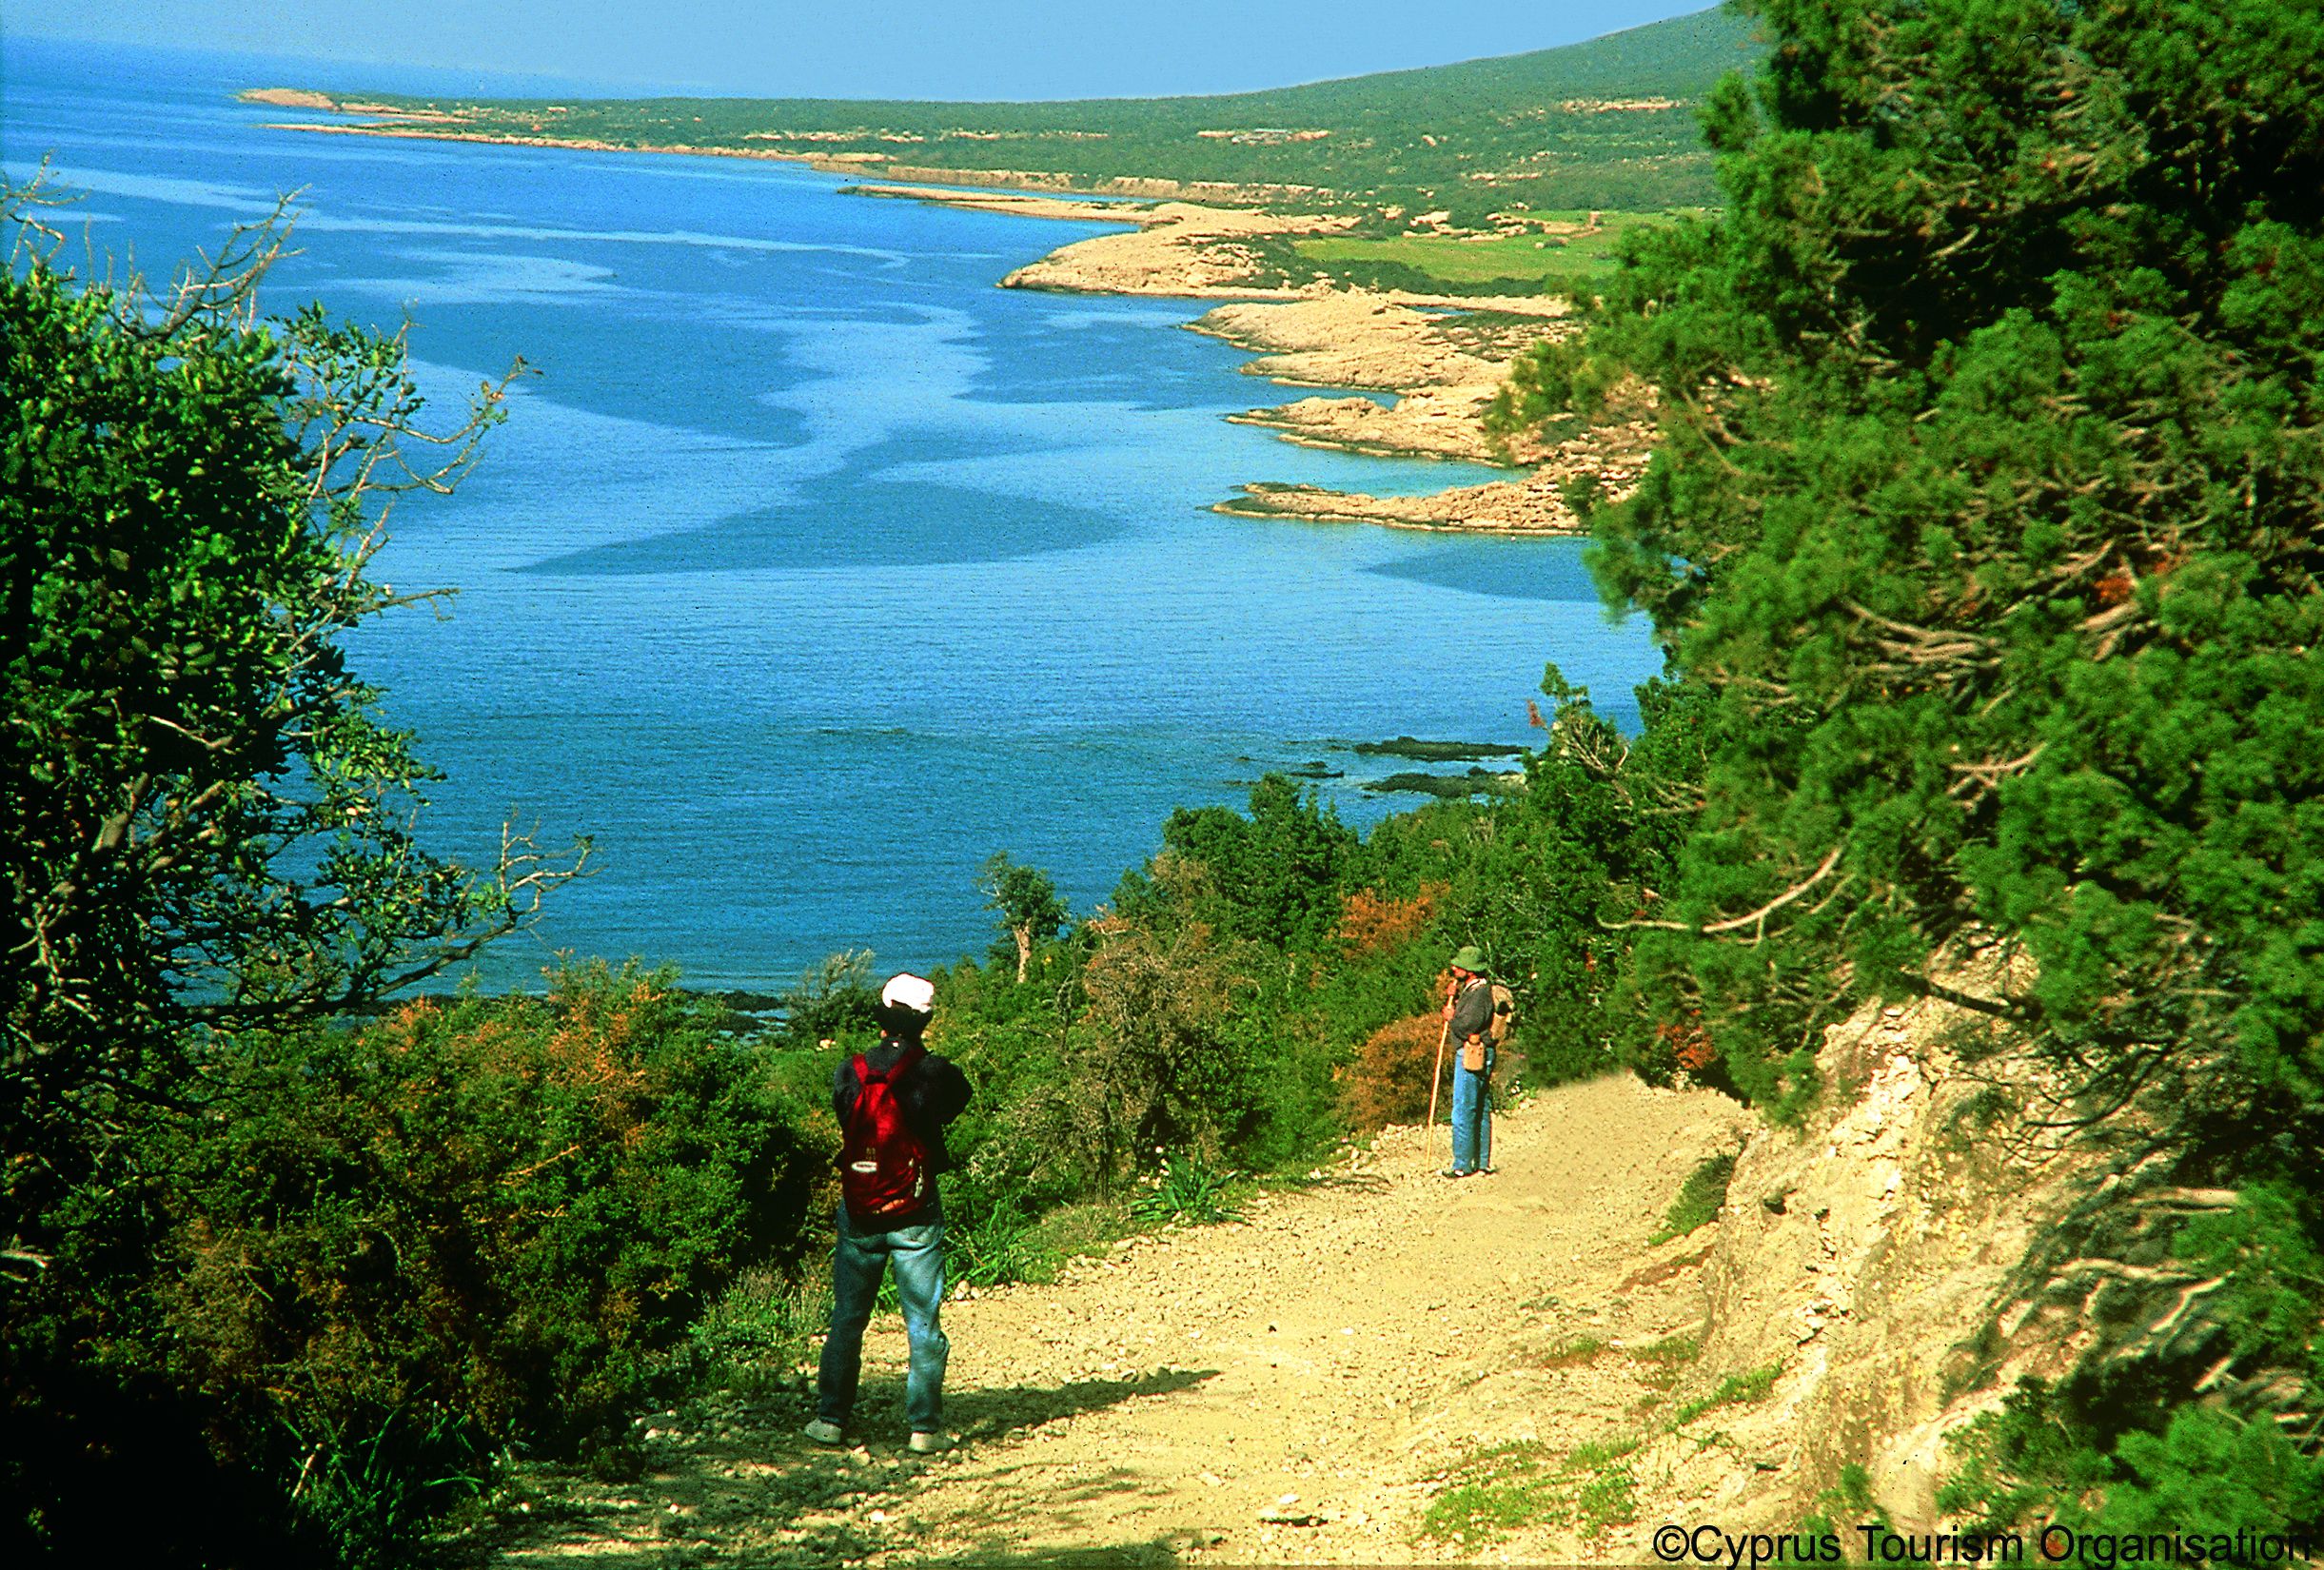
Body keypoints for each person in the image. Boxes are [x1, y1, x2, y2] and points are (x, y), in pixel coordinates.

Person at [803, 972, 973, 1454]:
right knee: (922, 1321)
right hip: (916, 1209)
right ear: (925, 1021)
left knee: (847, 1318)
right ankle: (924, 1430)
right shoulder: (936, 1073)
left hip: (860, 1212)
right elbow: (956, 1105)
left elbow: (845, 1117)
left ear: (882, 1017)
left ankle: (830, 1420)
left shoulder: (849, 1071)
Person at [1442, 946, 1497, 1179]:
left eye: (1459, 965)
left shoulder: (1478, 994)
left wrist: (1451, 1017)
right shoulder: (1475, 989)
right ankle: (1481, 1163)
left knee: (1463, 1109)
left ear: (1471, 971)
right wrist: (1453, 995)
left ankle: (1462, 1165)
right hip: (1482, 1053)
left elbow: (1468, 1025)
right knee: (1481, 1108)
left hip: (1472, 1054)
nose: (1454, 968)